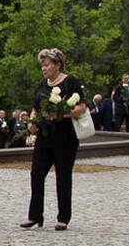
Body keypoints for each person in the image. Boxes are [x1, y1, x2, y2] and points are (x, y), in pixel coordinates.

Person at [20, 48, 87, 231]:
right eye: (42, 65)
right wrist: (32, 122)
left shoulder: (70, 82)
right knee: (36, 174)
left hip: (65, 136)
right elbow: (35, 107)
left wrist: (61, 113)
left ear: (57, 65)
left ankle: (63, 217)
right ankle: (35, 215)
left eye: (47, 64)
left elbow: (81, 107)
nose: (44, 68)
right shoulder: (41, 85)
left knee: (63, 176)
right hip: (44, 136)